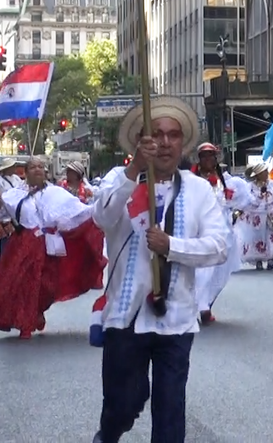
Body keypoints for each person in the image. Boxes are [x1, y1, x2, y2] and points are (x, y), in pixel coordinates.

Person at [91, 96, 228, 443]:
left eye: (173, 135)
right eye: (156, 134)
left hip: (176, 319)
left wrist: (173, 246)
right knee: (122, 406)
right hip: (126, 317)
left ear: (183, 143)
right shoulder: (119, 181)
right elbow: (103, 217)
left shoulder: (199, 190)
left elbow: (219, 246)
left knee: (170, 416)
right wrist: (135, 168)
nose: (165, 142)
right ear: (141, 141)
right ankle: (107, 435)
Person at [0, 157, 106, 339]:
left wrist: (98, 210)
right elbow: (7, 212)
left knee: (47, 285)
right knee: (22, 282)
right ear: (25, 172)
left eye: (41, 167)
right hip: (23, 245)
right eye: (33, 167)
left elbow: (77, 211)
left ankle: (37, 311)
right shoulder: (14, 194)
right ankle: (25, 322)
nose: (37, 170)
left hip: (48, 246)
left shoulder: (56, 193)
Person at [191, 142, 247, 325]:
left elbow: (238, 202)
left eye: (211, 156)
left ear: (216, 159)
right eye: (204, 156)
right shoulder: (192, 181)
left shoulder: (226, 181)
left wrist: (235, 212)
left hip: (223, 232)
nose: (208, 159)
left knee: (220, 272)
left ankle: (206, 304)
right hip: (201, 232)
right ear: (199, 160)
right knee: (201, 272)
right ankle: (200, 308)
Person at [236, 162, 273, 270]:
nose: (266, 174)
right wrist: (260, 195)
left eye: (266, 171)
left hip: (271, 215)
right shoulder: (250, 187)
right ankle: (258, 260)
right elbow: (250, 201)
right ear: (257, 174)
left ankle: (270, 259)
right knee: (257, 238)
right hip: (256, 217)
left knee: (271, 237)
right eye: (263, 172)